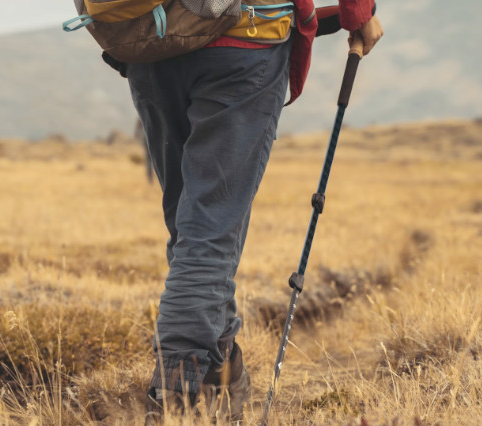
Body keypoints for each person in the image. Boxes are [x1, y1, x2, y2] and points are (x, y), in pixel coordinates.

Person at [121, 0, 383, 422]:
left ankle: (222, 371)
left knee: (192, 231)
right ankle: (175, 399)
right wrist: (359, 13)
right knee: (206, 234)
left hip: (153, 44)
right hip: (244, 43)